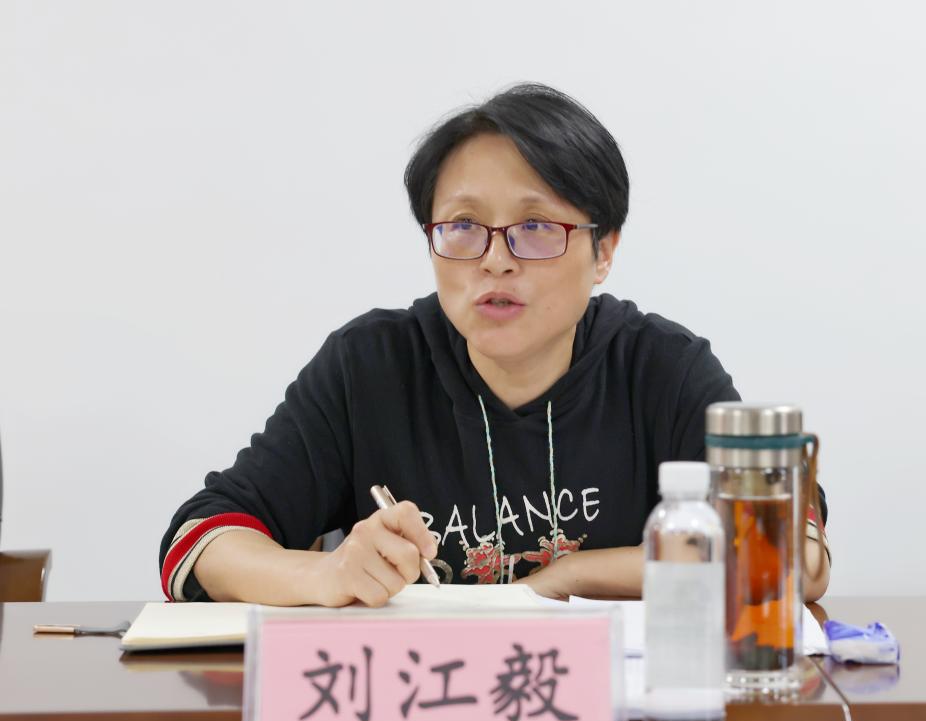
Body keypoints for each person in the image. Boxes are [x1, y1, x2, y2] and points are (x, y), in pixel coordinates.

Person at [159, 83, 830, 607]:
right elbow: (200, 539)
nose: (495, 260)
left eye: (535, 226)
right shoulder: (371, 367)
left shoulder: (661, 369)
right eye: (463, 226)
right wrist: (327, 573)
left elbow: (790, 560)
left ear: (603, 251)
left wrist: (568, 578)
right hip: (420, 713)